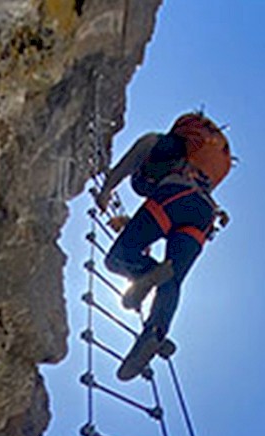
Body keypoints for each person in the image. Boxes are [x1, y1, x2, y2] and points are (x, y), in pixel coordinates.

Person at [95, 112, 233, 381]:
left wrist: (106, 189)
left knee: (118, 258)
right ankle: (155, 334)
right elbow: (172, 207)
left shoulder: (158, 143)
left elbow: (132, 162)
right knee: (173, 279)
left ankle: (147, 274)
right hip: (204, 216)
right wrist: (129, 222)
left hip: (174, 197)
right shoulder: (196, 164)